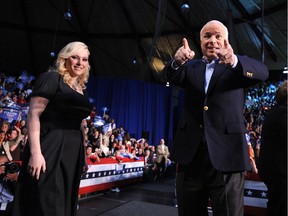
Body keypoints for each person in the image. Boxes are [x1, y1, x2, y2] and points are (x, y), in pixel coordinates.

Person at [161, 20, 269, 216]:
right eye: (207, 36)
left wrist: (234, 61)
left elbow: (263, 72)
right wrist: (177, 62)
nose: (213, 40)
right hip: (190, 156)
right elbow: (169, 76)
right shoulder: (190, 67)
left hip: (227, 156)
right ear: (200, 41)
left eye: (218, 36)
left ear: (226, 40)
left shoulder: (237, 66)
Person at [12, 41, 92, 216]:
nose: (80, 63)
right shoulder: (51, 78)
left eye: (84, 59)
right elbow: (33, 114)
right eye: (75, 57)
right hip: (51, 145)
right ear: (65, 58)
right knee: (47, 201)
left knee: (64, 201)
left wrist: (83, 155)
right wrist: (36, 153)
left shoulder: (81, 89)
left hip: (73, 150)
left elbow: (80, 124)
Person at [257, 80, 287, 216]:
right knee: (280, 207)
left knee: (276, 204)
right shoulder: (283, 115)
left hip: (273, 169)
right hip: (280, 172)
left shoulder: (274, 112)